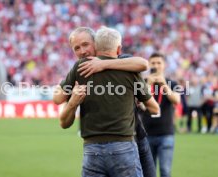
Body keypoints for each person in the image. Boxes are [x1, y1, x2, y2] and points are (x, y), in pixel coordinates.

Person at [54, 27, 159, 177]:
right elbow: (57, 98)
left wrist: (103, 64)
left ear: (96, 43)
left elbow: (143, 64)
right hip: (122, 143)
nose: (82, 51)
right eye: (77, 48)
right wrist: (72, 99)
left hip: (134, 137)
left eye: (85, 44)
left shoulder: (122, 61)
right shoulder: (81, 68)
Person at [142, 52, 181, 177]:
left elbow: (176, 100)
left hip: (166, 134)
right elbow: (141, 105)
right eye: (153, 63)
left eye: (159, 63)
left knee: (165, 171)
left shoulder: (172, 83)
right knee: (148, 173)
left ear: (164, 65)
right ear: (148, 65)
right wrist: (148, 84)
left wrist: (163, 84)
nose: (156, 65)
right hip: (146, 134)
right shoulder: (142, 83)